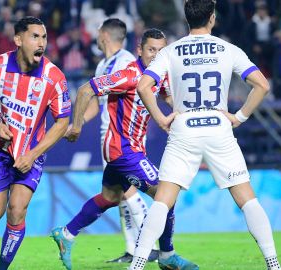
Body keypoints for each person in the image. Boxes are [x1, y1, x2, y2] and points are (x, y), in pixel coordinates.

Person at [129, 1, 281, 269]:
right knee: (247, 199)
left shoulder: (171, 50)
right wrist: (239, 116)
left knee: (163, 200)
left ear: (187, 19)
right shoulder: (227, 49)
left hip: (184, 127)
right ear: (212, 18)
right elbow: (261, 85)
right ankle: (273, 264)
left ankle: (137, 264)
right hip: (217, 126)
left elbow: (143, 86)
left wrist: (161, 118)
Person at [52, 29, 198, 270]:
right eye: (151, 50)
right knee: (166, 195)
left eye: (162, 51)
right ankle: (166, 255)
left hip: (130, 150)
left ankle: (66, 234)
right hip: (123, 150)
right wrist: (76, 126)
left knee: (109, 198)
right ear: (139, 50)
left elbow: (168, 97)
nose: (156, 55)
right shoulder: (129, 75)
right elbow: (86, 90)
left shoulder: (158, 76)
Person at [0, 16, 70, 270]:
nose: (41, 42)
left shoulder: (54, 77)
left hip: (30, 154)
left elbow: (61, 122)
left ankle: (1, 268)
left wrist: (33, 154)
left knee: (17, 209)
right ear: (18, 40)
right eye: (35, 36)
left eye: (44, 37)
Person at [77, 18, 157, 264]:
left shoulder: (125, 62)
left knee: (128, 190)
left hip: (123, 136)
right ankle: (133, 248)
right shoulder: (103, 64)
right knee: (121, 194)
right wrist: (76, 123)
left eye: (97, 32)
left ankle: (149, 245)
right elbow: (97, 102)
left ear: (104, 34)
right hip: (107, 134)